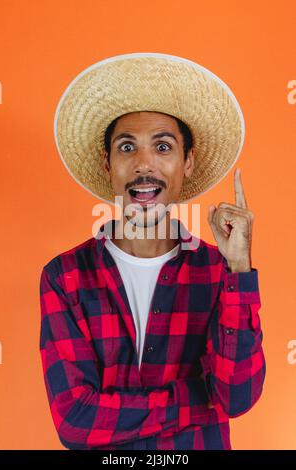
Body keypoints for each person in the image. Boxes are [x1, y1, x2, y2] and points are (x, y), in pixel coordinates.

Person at [39, 53, 266, 450]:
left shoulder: (219, 271)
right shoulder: (65, 277)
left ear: (187, 162)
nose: (144, 164)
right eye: (127, 147)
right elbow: (75, 422)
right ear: (108, 163)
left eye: (163, 146)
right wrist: (199, 399)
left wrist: (238, 268)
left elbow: (236, 397)